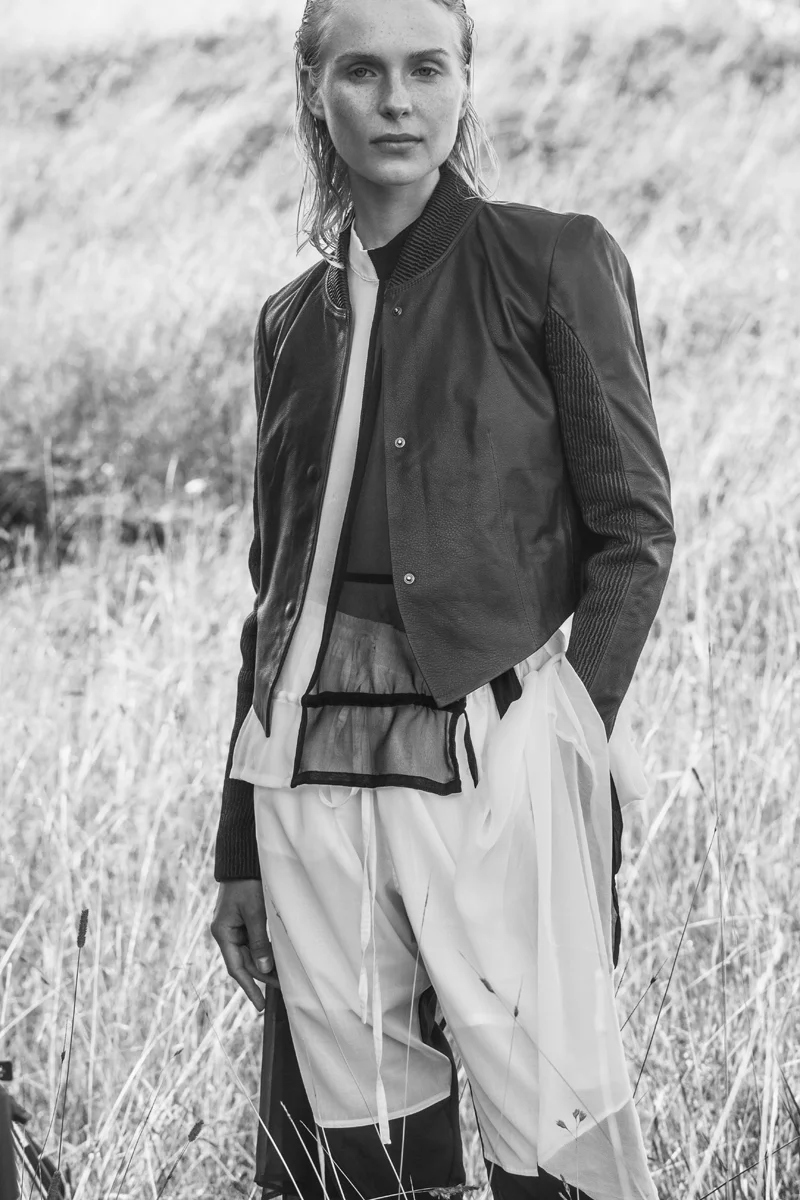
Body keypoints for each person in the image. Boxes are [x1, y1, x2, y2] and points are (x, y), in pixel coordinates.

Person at [210, 1, 675, 1198]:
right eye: (360, 72)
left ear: (465, 80)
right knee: (360, 1156)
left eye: (426, 68)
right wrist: (236, 845)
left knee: (556, 1135)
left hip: (493, 756)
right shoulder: (288, 322)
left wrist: (562, 740)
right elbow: (272, 601)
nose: (395, 101)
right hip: (307, 784)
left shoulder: (550, 260)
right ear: (313, 88)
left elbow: (633, 530)